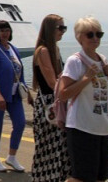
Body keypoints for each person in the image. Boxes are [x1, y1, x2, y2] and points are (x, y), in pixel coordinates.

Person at [59, 17, 108, 182]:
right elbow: (63, 94)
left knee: (101, 176)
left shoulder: (102, 59)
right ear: (79, 37)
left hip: (102, 127)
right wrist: (86, 78)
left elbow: (99, 91)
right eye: (90, 34)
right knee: (81, 178)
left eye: (99, 34)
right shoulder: (74, 61)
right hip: (82, 127)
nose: (95, 38)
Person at [0, 20, 33, 172]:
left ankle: (11, 156)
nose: (5, 33)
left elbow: (20, 72)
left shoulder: (13, 49)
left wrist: (28, 92)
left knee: (20, 123)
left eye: (7, 30)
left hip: (14, 95)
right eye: (2, 30)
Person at [31, 14, 71, 182]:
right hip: (49, 103)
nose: (63, 31)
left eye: (64, 28)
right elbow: (51, 81)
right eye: (60, 28)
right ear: (50, 29)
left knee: (58, 147)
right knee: (49, 146)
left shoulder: (54, 49)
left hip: (53, 101)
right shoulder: (44, 51)